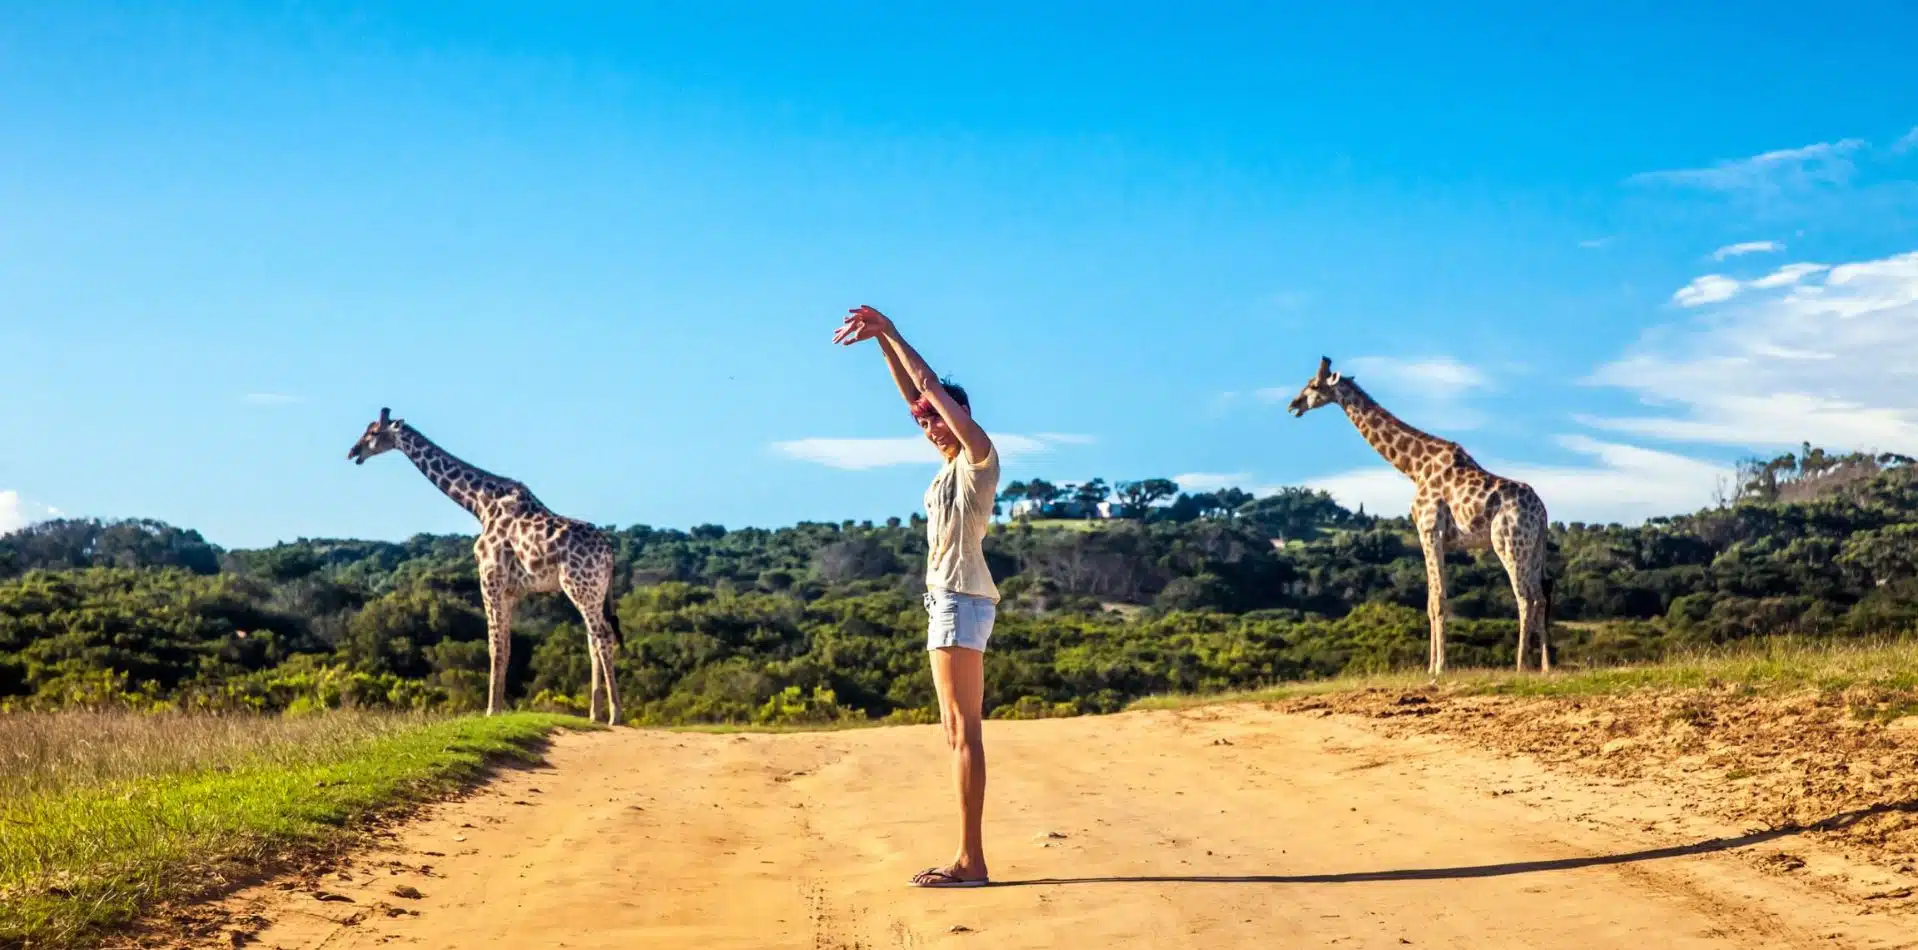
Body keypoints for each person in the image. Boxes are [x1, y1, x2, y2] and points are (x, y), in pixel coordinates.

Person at [834, 304, 1000, 889]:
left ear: (960, 418)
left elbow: (927, 386)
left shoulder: (978, 459)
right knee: (957, 732)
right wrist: (883, 343)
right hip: (950, 602)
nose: (927, 422)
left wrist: (897, 332)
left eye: (938, 418)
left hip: (960, 599)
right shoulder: (948, 466)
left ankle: (970, 861)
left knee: (963, 731)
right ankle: (969, 857)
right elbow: (916, 395)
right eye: (925, 419)